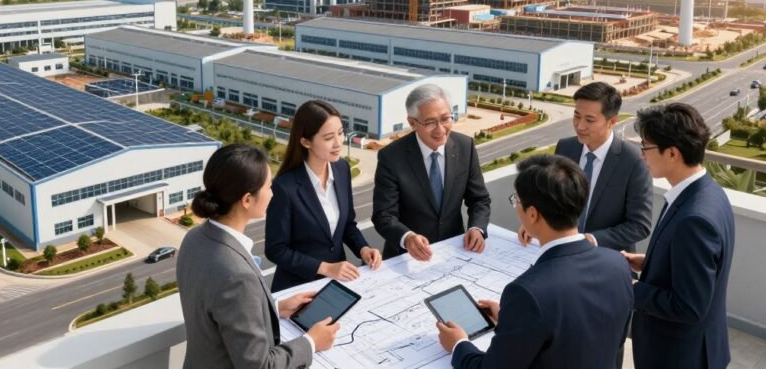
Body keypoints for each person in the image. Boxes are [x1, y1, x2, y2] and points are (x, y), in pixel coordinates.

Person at [437, 155, 634, 369]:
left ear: (532, 214)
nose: (516, 206)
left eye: (517, 200)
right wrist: (512, 319)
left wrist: (459, 344)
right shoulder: (617, 264)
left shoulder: (527, 293)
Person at [177, 144, 338, 369]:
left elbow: (221, 308)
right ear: (246, 200)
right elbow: (260, 365)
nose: (273, 193)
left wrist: (274, 306)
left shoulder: (194, 238)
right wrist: (311, 342)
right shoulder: (237, 275)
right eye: (269, 187)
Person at [622, 104, 735, 369]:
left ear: (672, 153)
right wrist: (648, 262)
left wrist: (630, 287)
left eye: (646, 148)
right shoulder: (707, 192)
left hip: (679, 356)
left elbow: (689, 307)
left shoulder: (694, 218)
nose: (641, 156)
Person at [519, 81, 653, 253]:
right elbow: (551, 198)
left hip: (606, 258)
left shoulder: (634, 160)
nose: (580, 126)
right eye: (576, 116)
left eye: (589, 120)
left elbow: (640, 225)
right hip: (562, 253)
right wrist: (534, 223)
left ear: (612, 121)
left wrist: (591, 240)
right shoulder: (565, 148)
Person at [266, 100, 382, 292]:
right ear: (305, 141)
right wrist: (325, 268)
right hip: (298, 288)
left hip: (337, 284)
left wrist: (363, 249)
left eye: (340, 132)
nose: (338, 142)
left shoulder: (342, 168)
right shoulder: (284, 187)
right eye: (329, 137)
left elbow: (347, 224)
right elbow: (276, 250)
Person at [372, 84, 491, 260]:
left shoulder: (466, 147)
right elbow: (384, 215)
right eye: (430, 122)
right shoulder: (391, 157)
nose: (441, 129)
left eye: (445, 118)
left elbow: (479, 199)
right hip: (407, 258)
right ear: (412, 123)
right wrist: (408, 238)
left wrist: (476, 228)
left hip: (454, 251)